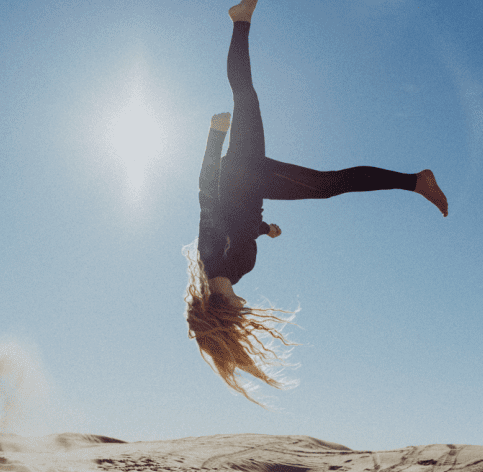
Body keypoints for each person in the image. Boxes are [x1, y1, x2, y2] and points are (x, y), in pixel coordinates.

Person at [184, 0, 448, 407]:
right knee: (319, 177)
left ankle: (240, 21)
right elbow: (238, 222)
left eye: (234, 317)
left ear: (220, 312)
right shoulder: (234, 271)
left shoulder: (211, 259)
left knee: (250, 101)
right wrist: (264, 229)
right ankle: (415, 182)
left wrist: (214, 137)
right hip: (255, 185)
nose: (243, 311)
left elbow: (207, 199)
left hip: (241, 170)